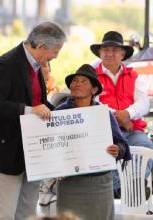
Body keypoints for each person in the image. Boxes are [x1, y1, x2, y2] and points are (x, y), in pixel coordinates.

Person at [0, 21, 66, 220]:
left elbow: (39, 101)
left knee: (27, 213)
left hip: (32, 153)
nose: (56, 56)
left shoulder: (36, 66)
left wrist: (64, 116)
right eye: (55, 51)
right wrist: (29, 111)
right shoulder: (7, 63)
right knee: (3, 213)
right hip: (8, 151)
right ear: (41, 46)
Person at [55, 64, 131, 220]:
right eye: (75, 80)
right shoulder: (59, 114)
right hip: (70, 184)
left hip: (99, 184)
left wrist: (117, 149)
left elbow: (121, 143)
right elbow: (50, 146)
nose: (77, 84)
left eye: (83, 81)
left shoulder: (103, 114)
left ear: (94, 90)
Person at [91, 31, 153, 197]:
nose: (109, 54)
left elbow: (144, 102)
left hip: (131, 129)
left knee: (145, 145)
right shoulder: (91, 76)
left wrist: (128, 113)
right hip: (104, 132)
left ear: (123, 54)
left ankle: (132, 184)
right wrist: (118, 118)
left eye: (114, 50)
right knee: (105, 153)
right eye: (105, 50)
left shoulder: (134, 75)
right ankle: (124, 188)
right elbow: (93, 103)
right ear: (100, 53)